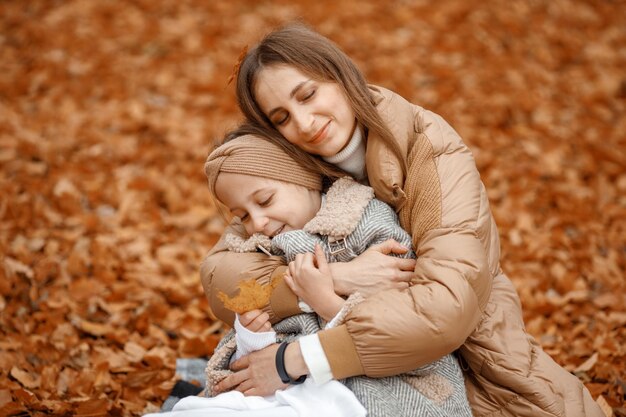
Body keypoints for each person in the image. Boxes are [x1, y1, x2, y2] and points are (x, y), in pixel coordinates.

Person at [201, 24, 603, 417]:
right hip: (344, 373)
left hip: (471, 364)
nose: (304, 124)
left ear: (341, 76)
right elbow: (223, 276)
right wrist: (339, 279)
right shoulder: (290, 174)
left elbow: (443, 310)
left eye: (308, 95)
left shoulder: (429, 147)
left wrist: (296, 359)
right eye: (282, 119)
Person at [199, 132, 472, 417]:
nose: (257, 222)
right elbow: (261, 363)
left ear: (304, 177)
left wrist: (325, 301)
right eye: (242, 215)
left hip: (371, 385)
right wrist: (253, 337)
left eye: (265, 201)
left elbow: (404, 331)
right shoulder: (261, 248)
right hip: (291, 388)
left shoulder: (368, 224)